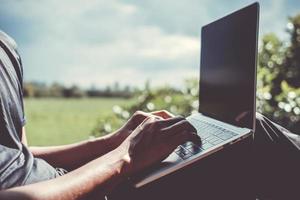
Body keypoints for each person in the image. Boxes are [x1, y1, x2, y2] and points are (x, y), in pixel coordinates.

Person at [0, 31, 299, 199]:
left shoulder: (6, 46)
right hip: (93, 191)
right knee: (254, 143)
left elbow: (20, 157)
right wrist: (124, 157)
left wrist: (110, 142)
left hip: (86, 181)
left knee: (249, 128)